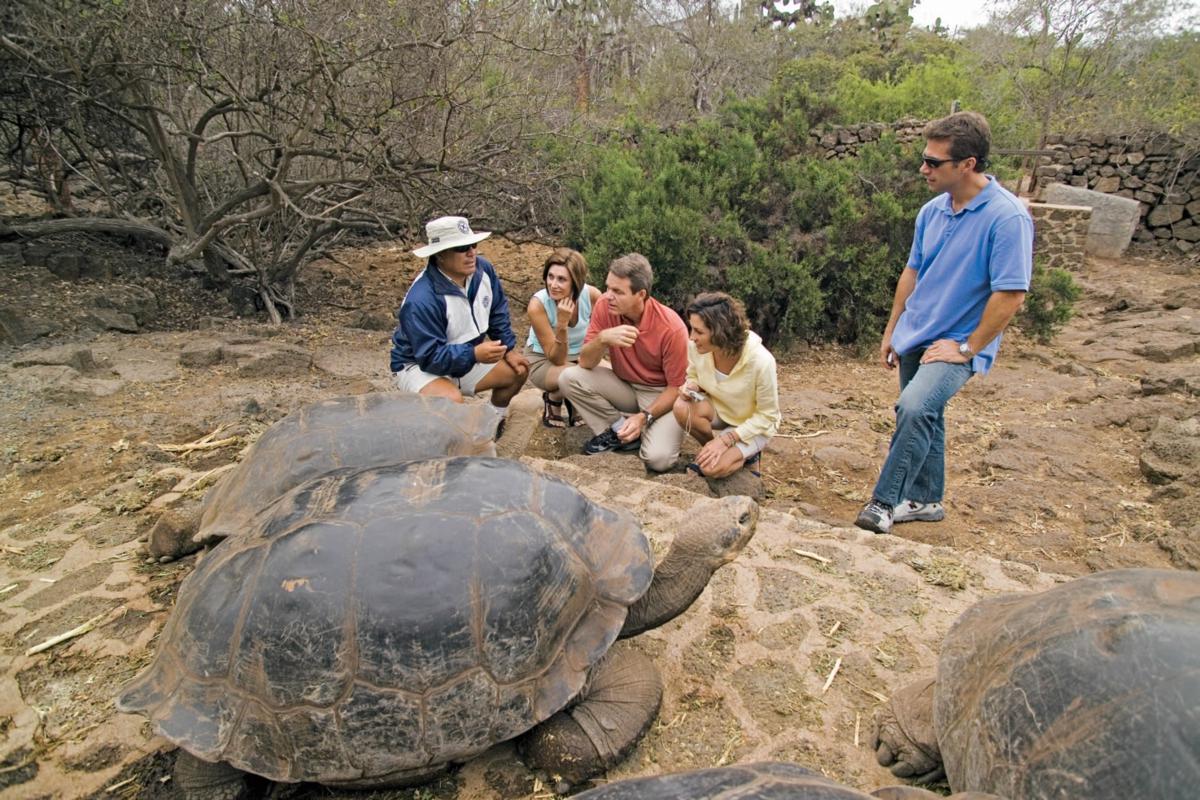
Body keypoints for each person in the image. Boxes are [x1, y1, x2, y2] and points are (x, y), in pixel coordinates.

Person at [855, 111, 1033, 535]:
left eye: (934, 162)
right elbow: (912, 272)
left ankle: (885, 501)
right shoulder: (932, 211)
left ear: (968, 164)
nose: (924, 169)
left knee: (914, 408)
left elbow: (1010, 295)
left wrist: (968, 347)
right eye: (924, 159)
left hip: (957, 341)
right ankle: (927, 499)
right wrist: (893, 329)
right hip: (917, 331)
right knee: (927, 416)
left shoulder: (1008, 218)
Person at [390, 216, 528, 422]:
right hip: (418, 365)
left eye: (473, 244)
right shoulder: (421, 299)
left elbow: (497, 309)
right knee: (450, 401)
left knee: (518, 370)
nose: (472, 253)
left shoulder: (483, 271)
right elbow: (429, 357)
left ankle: (492, 423)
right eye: (462, 248)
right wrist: (473, 354)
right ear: (440, 255)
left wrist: (508, 349)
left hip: (464, 355)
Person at [558, 253, 688, 472]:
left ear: (641, 294)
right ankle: (620, 433)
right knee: (569, 377)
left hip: (661, 393)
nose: (609, 296)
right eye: (608, 287)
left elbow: (676, 388)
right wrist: (602, 339)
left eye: (618, 291)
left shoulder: (671, 328)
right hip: (624, 386)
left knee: (658, 460)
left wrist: (644, 417)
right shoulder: (604, 307)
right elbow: (585, 363)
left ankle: (642, 427)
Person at [667, 292, 781, 479]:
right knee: (682, 407)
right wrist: (692, 385)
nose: (692, 337)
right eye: (692, 329)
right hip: (720, 410)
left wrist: (728, 439)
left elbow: (768, 416)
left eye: (699, 332)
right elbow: (693, 373)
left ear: (720, 332)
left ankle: (747, 455)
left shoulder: (761, 361)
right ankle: (712, 449)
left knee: (711, 469)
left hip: (752, 425)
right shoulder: (697, 348)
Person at [524, 248, 602, 428]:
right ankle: (554, 397)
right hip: (544, 360)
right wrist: (561, 324)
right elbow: (557, 358)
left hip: (580, 358)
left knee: (611, 376)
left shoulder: (592, 296)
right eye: (550, 277)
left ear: (576, 282)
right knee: (578, 375)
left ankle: (573, 399)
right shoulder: (538, 305)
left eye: (561, 279)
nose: (553, 284)